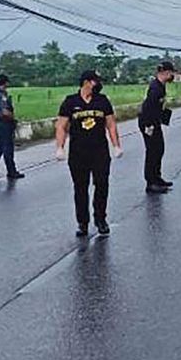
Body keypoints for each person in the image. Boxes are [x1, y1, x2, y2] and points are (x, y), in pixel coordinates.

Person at [55, 70, 123, 237]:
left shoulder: (103, 101)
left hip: (99, 150)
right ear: (86, 82)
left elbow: (111, 124)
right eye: (94, 82)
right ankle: (82, 223)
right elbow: (61, 126)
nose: (97, 85)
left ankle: (101, 219)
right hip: (78, 152)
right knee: (80, 188)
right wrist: (60, 147)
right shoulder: (70, 102)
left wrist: (116, 145)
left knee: (101, 184)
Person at [139, 61, 175, 193]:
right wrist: (149, 126)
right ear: (165, 72)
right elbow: (147, 107)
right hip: (148, 122)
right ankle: (151, 182)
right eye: (171, 73)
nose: (172, 76)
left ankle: (157, 177)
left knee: (159, 149)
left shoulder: (161, 85)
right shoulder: (155, 88)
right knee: (152, 151)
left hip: (154, 121)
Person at [0, 74, 25, 180]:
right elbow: (5, 111)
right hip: (5, 123)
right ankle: (11, 171)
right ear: (6, 83)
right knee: (8, 148)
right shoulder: (2, 95)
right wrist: (13, 119)